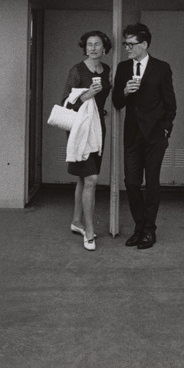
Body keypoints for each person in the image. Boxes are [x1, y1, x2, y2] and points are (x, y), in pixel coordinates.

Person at [111, 23, 177, 250]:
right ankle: (139, 228)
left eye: (131, 44)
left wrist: (166, 129)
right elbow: (116, 103)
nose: (127, 48)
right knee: (130, 182)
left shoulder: (161, 68)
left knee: (152, 183)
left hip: (155, 135)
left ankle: (150, 230)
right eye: (125, 44)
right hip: (132, 134)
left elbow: (170, 104)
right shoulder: (122, 68)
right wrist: (125, 92)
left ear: (144, 44)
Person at [62, 31, 113, 251]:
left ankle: (76, 221)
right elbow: (65, 103)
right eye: (89, 45)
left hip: (97, 128)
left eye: (97, 44)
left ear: (104, 48)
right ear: (85, 48)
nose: (93, 48)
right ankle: (89, 231)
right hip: (80, 130)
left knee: (84, 180)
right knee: (91, 178)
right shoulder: (77, 70)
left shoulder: (107, 70)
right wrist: (86, 95)